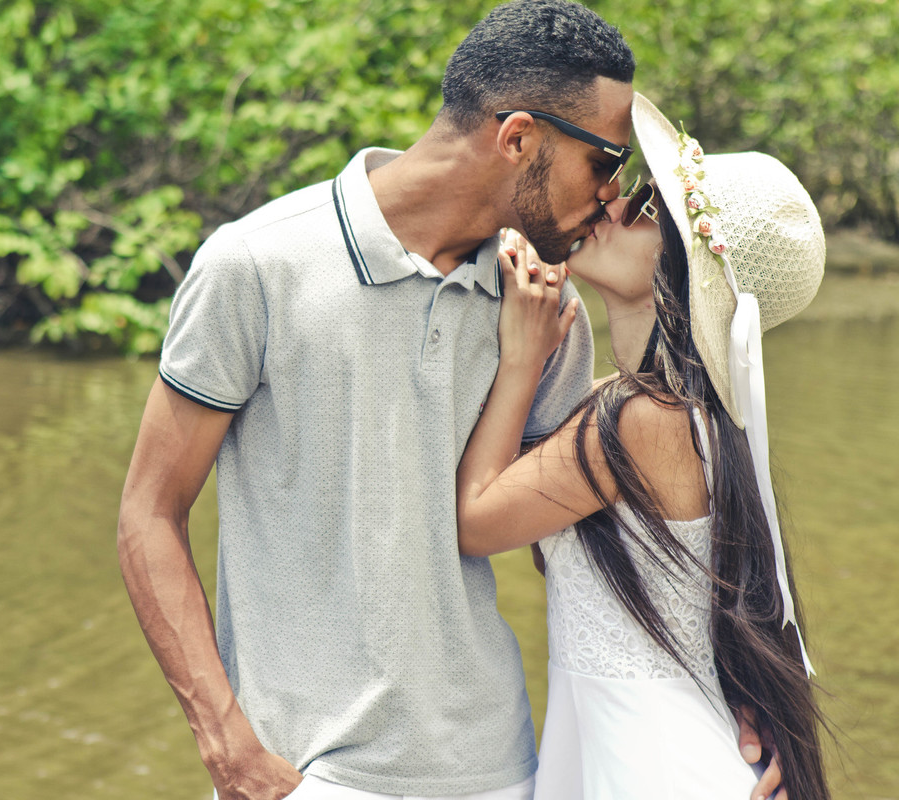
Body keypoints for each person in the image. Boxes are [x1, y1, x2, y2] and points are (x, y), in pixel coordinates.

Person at [118, 2, 779, 798]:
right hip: (302, 771)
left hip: (499, 771)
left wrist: (743, 699)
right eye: (606, 162)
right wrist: (227, 743)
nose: (611, 193)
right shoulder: (255, 265)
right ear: (518, 139)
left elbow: (598, 542)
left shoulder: (545, 306)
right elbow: (150, 513)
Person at [456, 92, 829, 799]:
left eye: (649, 207)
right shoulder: (674, 414)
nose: (614, 202)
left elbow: (475, 523)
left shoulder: (642, 418)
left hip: (652, 761)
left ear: (690, 269)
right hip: (641, 742)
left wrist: (521, 359)